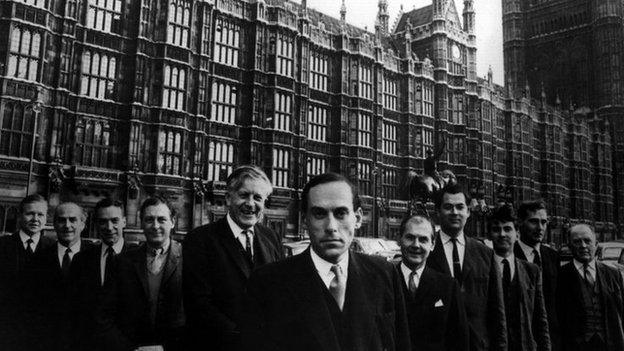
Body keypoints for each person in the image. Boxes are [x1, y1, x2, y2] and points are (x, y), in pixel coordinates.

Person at [242, 172, 410, 351]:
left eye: (340, 213)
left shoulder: (384, 273)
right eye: (319, 214)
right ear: (305, 220)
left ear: (358, 218)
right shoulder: (268, 282)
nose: (331, 227)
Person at [183, 165, 283, 350]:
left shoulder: (272, 238)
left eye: (258, 198)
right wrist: (244, 338)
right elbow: (199, 305)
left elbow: (281, 295)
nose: (251, 204)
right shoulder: (200, 240)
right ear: (229, 198)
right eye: (244, 195)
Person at [96, 196, 185, 351]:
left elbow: (199, 315)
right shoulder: (122, 262)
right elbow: (105, 315)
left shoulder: (190, 259)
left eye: (161, 219)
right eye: (149, 219)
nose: (155, 226)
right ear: (141, 223)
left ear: (173, 222)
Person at [426, 183, 507, 351]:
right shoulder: (427, 253)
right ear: (437, 211)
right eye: (448, 207)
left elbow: (497, 312)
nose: (454, 212)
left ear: (468, 212)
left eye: (460, 207)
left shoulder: (485, 254)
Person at [71, 198, 137, 350]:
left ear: (124, 222)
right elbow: (75, 309)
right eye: (103, 221)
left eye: (115, 220)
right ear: (96, 224)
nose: (109, 227)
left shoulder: (138, 258)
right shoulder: (81, 260)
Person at [397, 214, 468, 351]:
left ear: (432, 245)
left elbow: (459, 340)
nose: (416, 245)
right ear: (399, 240)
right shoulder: (385, 281)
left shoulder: (448, 286)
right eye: (410, 238)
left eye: (423, 239)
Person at [488, 205, 550, 351]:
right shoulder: (483, 269)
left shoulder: (531, 271)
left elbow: (541, 320)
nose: (502, 234)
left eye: (507, 229)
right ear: (490, 235)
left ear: (517, 233)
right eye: (496, 229)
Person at [557, 224, 624, 351]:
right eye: (577, 242)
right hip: (574, 347)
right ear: (570, 246)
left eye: (587, 241)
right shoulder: (560, 276)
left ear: (596, 244)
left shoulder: (613, 274)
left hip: (610, 345)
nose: (583, 246)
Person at [0, 194, 54, 351]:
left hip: (41, 332)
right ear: (19, 215)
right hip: (8, 328)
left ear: (46, 217)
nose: (35, 219)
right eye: (30, 213)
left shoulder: (53, 248)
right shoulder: (3, 246)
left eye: (40, 214)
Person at [40, 201, 96, 351]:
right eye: (61, 220)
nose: (67, 225)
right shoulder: (39, 259)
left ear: (83, 224)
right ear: (54, 224)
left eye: (73, 220)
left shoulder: (96, 259)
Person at [514, 201, 560, 350]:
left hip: (551, 339)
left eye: (543, 222)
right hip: (520, 338)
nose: (540, 228)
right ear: (520, 222)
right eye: (533, 221)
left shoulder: (553, 256)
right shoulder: (510, 255)